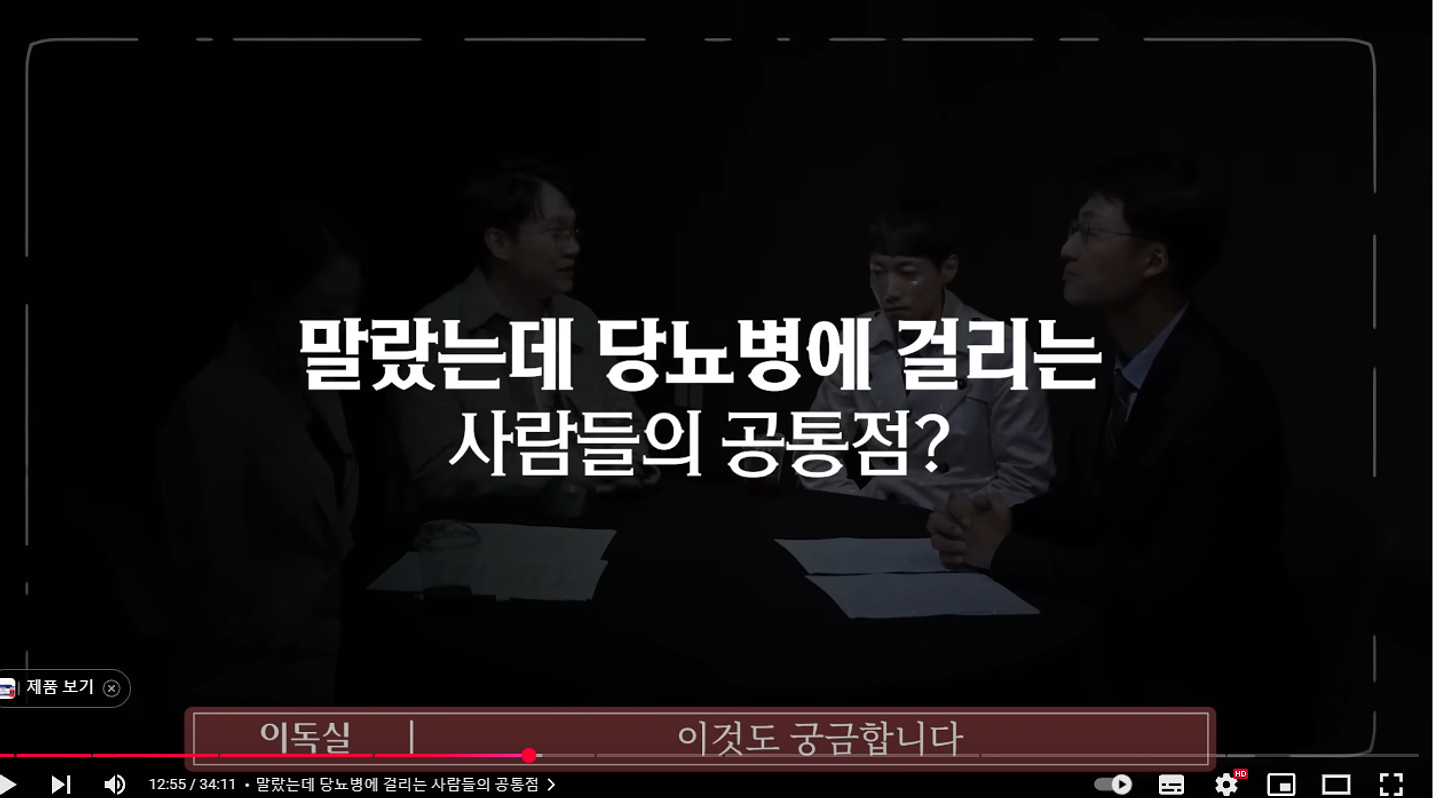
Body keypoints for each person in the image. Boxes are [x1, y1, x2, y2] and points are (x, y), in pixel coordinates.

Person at [927, 153, 1297, 719]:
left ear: (1154, 259)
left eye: (1089, 232)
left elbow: (1174, 583)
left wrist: (1006, 551)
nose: (1066, 249)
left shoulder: (1225, 396)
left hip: (1197, 679)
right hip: (1116, 645)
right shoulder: (1120, 362)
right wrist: (997, 520)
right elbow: (1086, 506)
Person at [158, 199, 363, 704]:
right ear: (267, 299)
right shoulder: (211, 406)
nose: (346, 327)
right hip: (260, 679)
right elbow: (218, 598)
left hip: (335, 652)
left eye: (351, 307)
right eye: (327, 309)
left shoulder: (318, 377)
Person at [387, 160, 657, 512]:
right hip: (490, 530)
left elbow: (626, 419)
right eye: (556, 233)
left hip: (599, 515)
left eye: (573, 233)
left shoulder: (579, 319)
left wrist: (630, 457)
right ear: (499, 243)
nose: (573, 248)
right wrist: (563, 468)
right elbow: (438, 472)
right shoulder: (433, 332)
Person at [798, 199, 1054, 510]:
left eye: (908, 273)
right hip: (876, 518)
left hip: (964, 525)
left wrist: (963, 521)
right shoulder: (858, 338)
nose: (890, 290)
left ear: (948, 269)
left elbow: (1025, 476)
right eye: (878, 272)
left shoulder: (1000, 348)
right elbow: (814, 449)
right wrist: (856, 508)